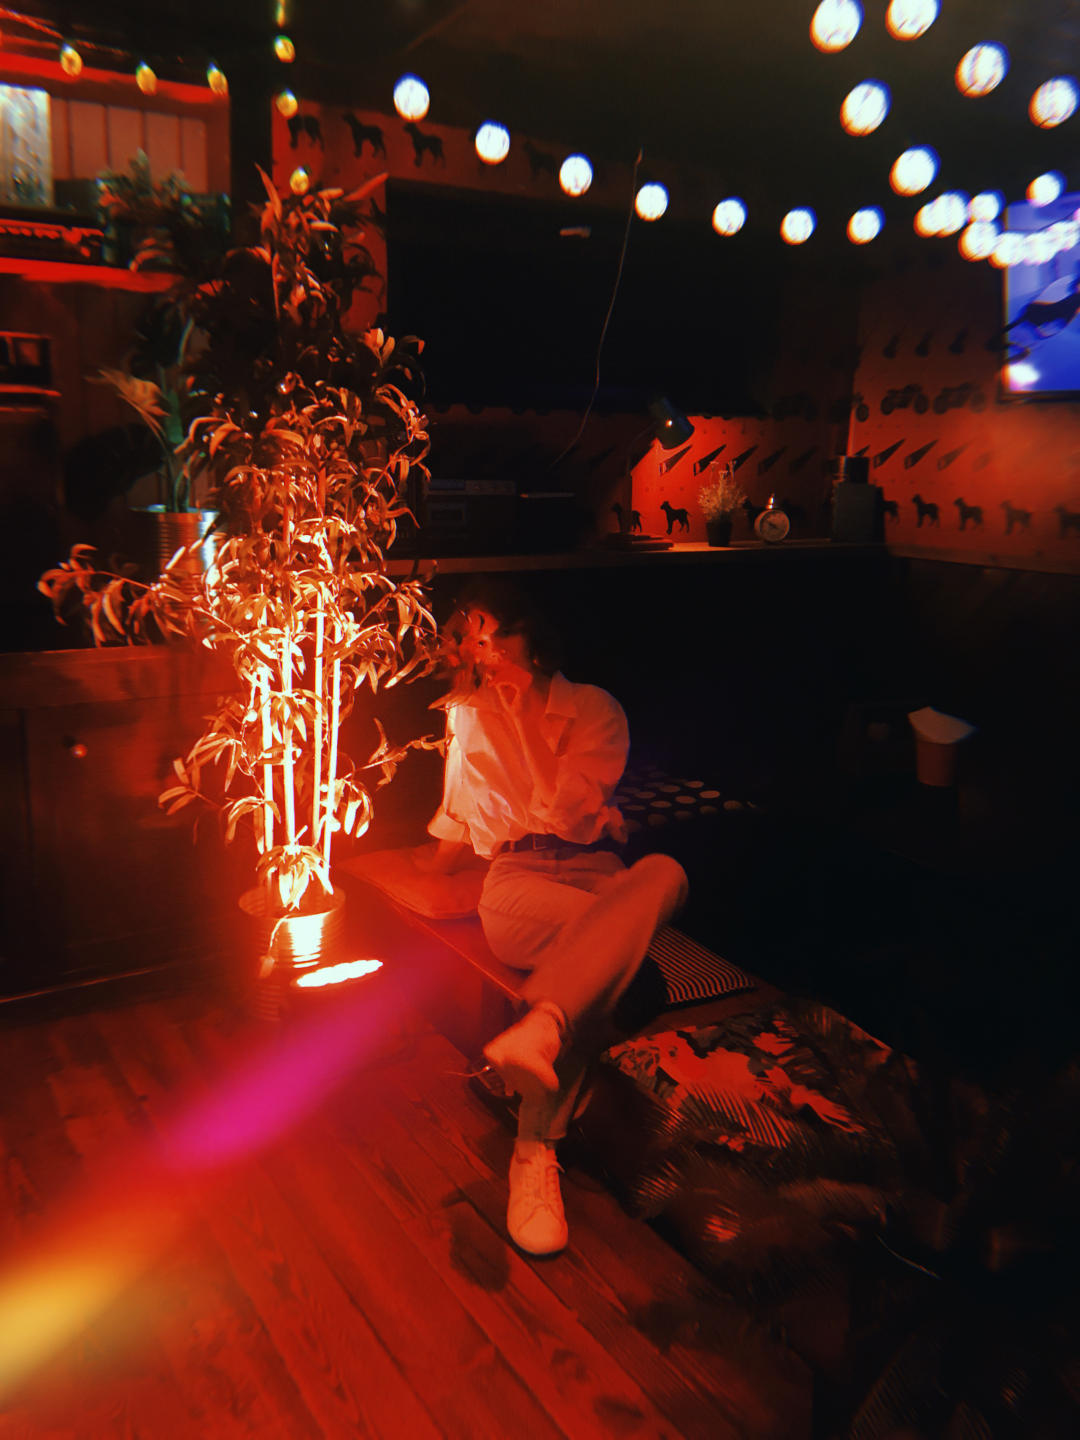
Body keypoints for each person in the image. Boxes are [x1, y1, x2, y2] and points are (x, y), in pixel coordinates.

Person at [420, 579, 688, 1255]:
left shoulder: (594, 708)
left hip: (597, 871)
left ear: (530, 639)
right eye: (467, 638)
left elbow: (567, 815)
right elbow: (458, 814)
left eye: (490, 634)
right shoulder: (469, 715)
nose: (478, 651)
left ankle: (540, 1044)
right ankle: (535, 1150)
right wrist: (426, 873)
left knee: (665, 873)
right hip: (517, 881)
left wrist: (523, 717)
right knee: (626, 972)